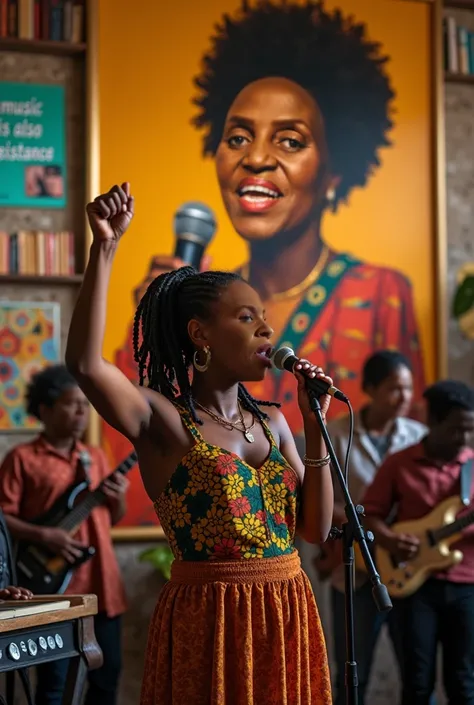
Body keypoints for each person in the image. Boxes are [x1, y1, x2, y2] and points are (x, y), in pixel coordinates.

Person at [103, 0, 425, 526]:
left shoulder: (382, 293)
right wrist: (152, 324)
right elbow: (140, 490)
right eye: (237, 137)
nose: (255, 158)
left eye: (290, 140)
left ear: (333, 172)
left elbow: (336, 515)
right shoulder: (200, 313)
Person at [65, 182, 334, 704]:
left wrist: (315, 424)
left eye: (264, 317)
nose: (266, 329)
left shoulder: (274, 422)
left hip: (288, 610)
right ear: (200, 334)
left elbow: (316, 530)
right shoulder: (164, 420)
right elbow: (85, 364)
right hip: (211, 619)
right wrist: (105, 248)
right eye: (247, 317)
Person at [0, 365, 128, 705]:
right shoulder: (22, 459)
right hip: (54, 590)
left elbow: (111, 518)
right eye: (72, 404)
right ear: (45, 409)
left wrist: (119, 497)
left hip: (102, 586)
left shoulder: (95, 457)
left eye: (85, 405)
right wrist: (44, 536)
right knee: (54, 686)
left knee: (107, 679)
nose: (81, 413)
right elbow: (2, 519)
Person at [316, 350, 426, 705]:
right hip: (355, 569)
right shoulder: (335, 434)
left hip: (409, 567)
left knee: (417, 673)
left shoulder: (418, 436)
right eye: (394, 388)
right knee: (352, 673)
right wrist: (370, 526)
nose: (404, 397)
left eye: (408, 388)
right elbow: (321, 501)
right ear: (370, 389)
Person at [363, 380, 474, 705]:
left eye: (470, 430)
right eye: (456, 429)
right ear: (433, 422)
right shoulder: (399, 463)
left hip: (467, 586)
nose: (464, 438)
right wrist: (390, 540)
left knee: (464, 684)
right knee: (417, 684)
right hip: (415, 588)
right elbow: (368, 515)